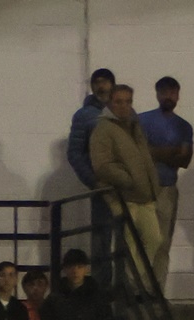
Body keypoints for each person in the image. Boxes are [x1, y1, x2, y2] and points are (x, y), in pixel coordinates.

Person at [90, 84, 162, 288]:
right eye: (118, 101)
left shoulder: (134, 126)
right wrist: (127, 179)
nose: (124, 106)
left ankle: (133, 282)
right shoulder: (103, 129)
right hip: (123, 196)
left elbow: (144, 158)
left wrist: (151, 183)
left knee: (155, 239)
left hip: (144, 196)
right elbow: (102, 165)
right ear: (110, 103)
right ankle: (130, 286)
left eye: (128, 101)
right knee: (129, 243)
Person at [138, 76, 194, 286]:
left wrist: (154, 152)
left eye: (172, 92)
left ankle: (158, 290)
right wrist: (172, 151)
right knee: (143, 241)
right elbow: (140, 154)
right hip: (143, 188)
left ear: (178, 95)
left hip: (168, 189)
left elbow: (185, 160)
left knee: (163, 242)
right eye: (164, 92)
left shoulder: (184, 126)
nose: (168, 96)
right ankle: (140, 289)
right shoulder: (142, 121)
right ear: (157, 94)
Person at [68, 67, 117, 284]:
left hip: (126, 187)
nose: (101, 86)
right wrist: (93, 181)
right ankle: (101, 290)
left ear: (113, 85)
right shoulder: (84, 116)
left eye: (105, 81)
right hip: (102, 187)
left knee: (127, 240)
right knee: (101, 239)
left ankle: (124, 288)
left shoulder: (124, 111)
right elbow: (75, 153)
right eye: (97, 82)